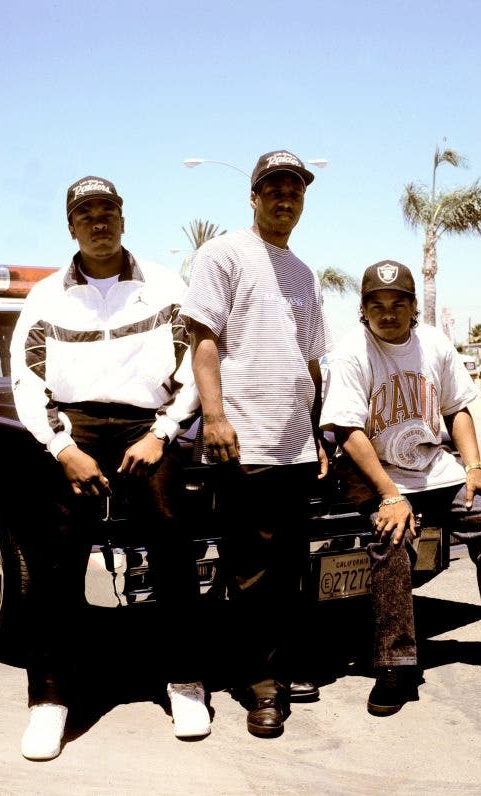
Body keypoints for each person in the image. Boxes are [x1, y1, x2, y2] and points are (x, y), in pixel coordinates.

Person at [10, 175, 210, 760]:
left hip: (147, 425)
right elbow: (26, 380)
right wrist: (62, 448)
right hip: (74, 426)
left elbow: (193, 365)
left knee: (174, 540)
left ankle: (185, 683)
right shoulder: (46, 296)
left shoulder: (166, 285)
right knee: (56, 556)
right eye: (85, 214)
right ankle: (49, 701)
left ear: (123, 218)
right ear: (71, 226)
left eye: (108, 210)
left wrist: (163, 433)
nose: (98, 221)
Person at [320, 260, 481, 716]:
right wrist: (389, 496)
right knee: (391, 538)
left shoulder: (433, 343)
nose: (388, 313)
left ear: (414, 306)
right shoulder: (351, 353)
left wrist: (473, 465)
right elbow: (350, 432)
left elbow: (457, 410)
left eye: (399, 303)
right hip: (382, 475)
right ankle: (395, 663)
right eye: (377, 304)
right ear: (363, 309)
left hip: (435, 469)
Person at [180, 150, 330, 738]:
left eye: (294, 188)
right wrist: (214, 416)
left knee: (291, 565)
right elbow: (203, 339)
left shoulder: (304, 272)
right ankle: (260, 686)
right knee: (251, 571)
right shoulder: (222, 254)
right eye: (274, 187)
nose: (284, 197)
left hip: (294, 441)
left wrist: (319, 433)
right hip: (244, 440)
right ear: (254, 195)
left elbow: (311, 362)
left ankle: (282, 665)